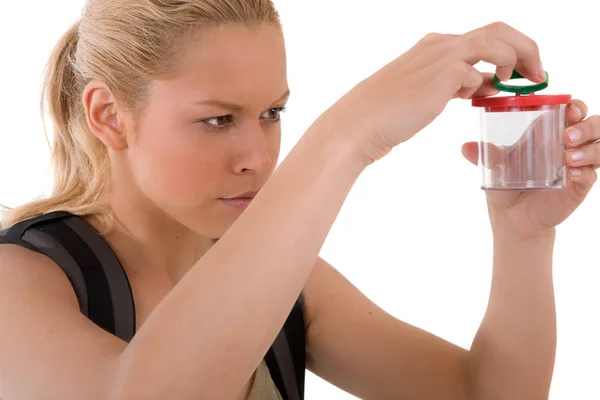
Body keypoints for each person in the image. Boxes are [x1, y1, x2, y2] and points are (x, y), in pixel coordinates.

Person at [0, 1, 598, 399]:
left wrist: (524, 235)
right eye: (216, 120)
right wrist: (346, 135)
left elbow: (484, 396)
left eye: (271, 114)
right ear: (110, 116)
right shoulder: (21, 281)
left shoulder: (292, 284)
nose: (257, 157)